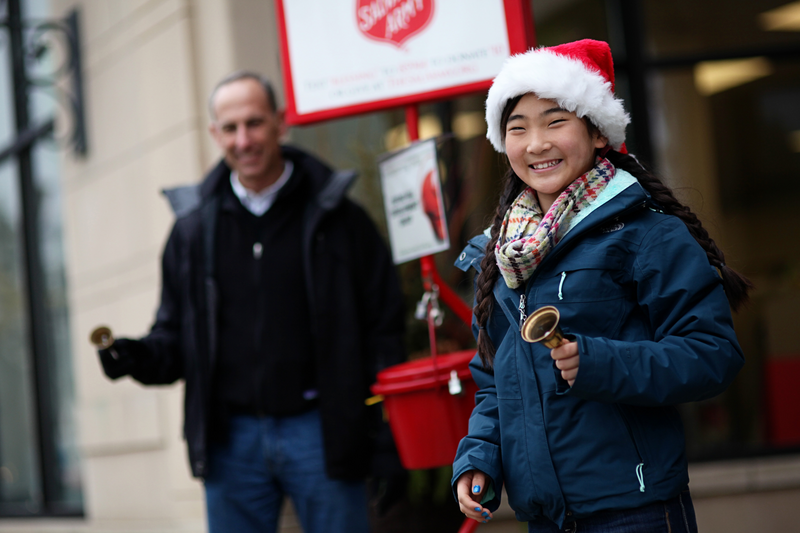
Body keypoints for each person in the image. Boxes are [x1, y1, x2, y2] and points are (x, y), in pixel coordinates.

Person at [451, 40, 751, 532]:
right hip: (546, 518)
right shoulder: (502, 252)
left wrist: (597, 362)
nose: (535, 143)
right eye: (517, 127)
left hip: (636, 512)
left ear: (597, 134)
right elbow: (494, 384)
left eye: (555, 122)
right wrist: (479, 457)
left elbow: (712, 354)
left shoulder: (648, 234)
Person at [95, 71, 406, 533]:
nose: (243, 140)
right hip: (230, 440)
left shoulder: (340, 219)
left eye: (254, 123)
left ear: (280, 122)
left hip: (323, 429)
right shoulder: (192, 231)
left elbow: (385, 329)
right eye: (230, 128)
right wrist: (135, 357)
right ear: (214, 133)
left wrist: (388, 436)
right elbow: (176, 339)